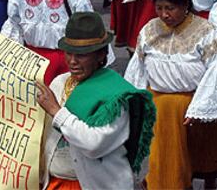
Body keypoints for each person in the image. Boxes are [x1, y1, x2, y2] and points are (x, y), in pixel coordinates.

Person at [125, 0, 217, 190]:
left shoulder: (205, 31)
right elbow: (138, 69)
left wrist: (200, 106)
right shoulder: (149, 30)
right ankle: (171, 182)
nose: (164, 14)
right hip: (162, 104)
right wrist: (135, 100)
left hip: (197, 100)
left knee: (206, 147)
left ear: (185, 6)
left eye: (170, 8)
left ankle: (210, 181)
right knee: (168, 153)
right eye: (159, 8)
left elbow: (216, 72)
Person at [36, 12, 156, 190]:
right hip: (56, 182)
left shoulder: (116, 97)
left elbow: (94, 143)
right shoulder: (59, 82)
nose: (73, 61)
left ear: (101, 55)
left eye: (82, 55)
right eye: (69, 53)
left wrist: (57, 112)